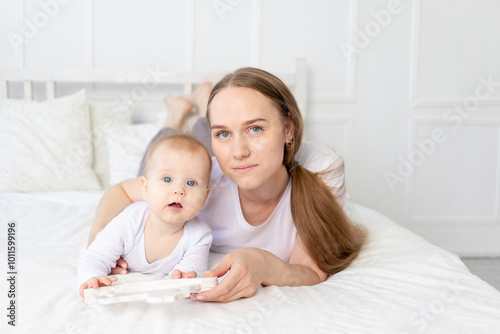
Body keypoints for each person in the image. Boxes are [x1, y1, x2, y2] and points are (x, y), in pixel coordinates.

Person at [87, 68, 366, 303]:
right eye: (222, 133)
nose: (239, 152)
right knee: (174, 156)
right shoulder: (198, 182)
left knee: (199, 153)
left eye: (255, 128)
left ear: (288, 128)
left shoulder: (321, 169)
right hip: (199, 167)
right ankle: (175, 114)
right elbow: (121, 191)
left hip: (211, 164)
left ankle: (201, 106)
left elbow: (311, 271)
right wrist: (99, 243)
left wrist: (263, 264)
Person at [78, 135, 212, 297]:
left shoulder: (200, 235)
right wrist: (92, 277)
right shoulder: (129, 221)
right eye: (167, 179)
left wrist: (184, 279)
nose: (179, 190)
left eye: (191, 183)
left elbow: (191, 274)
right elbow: (94, 257)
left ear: (204, 197)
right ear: (145, 188)